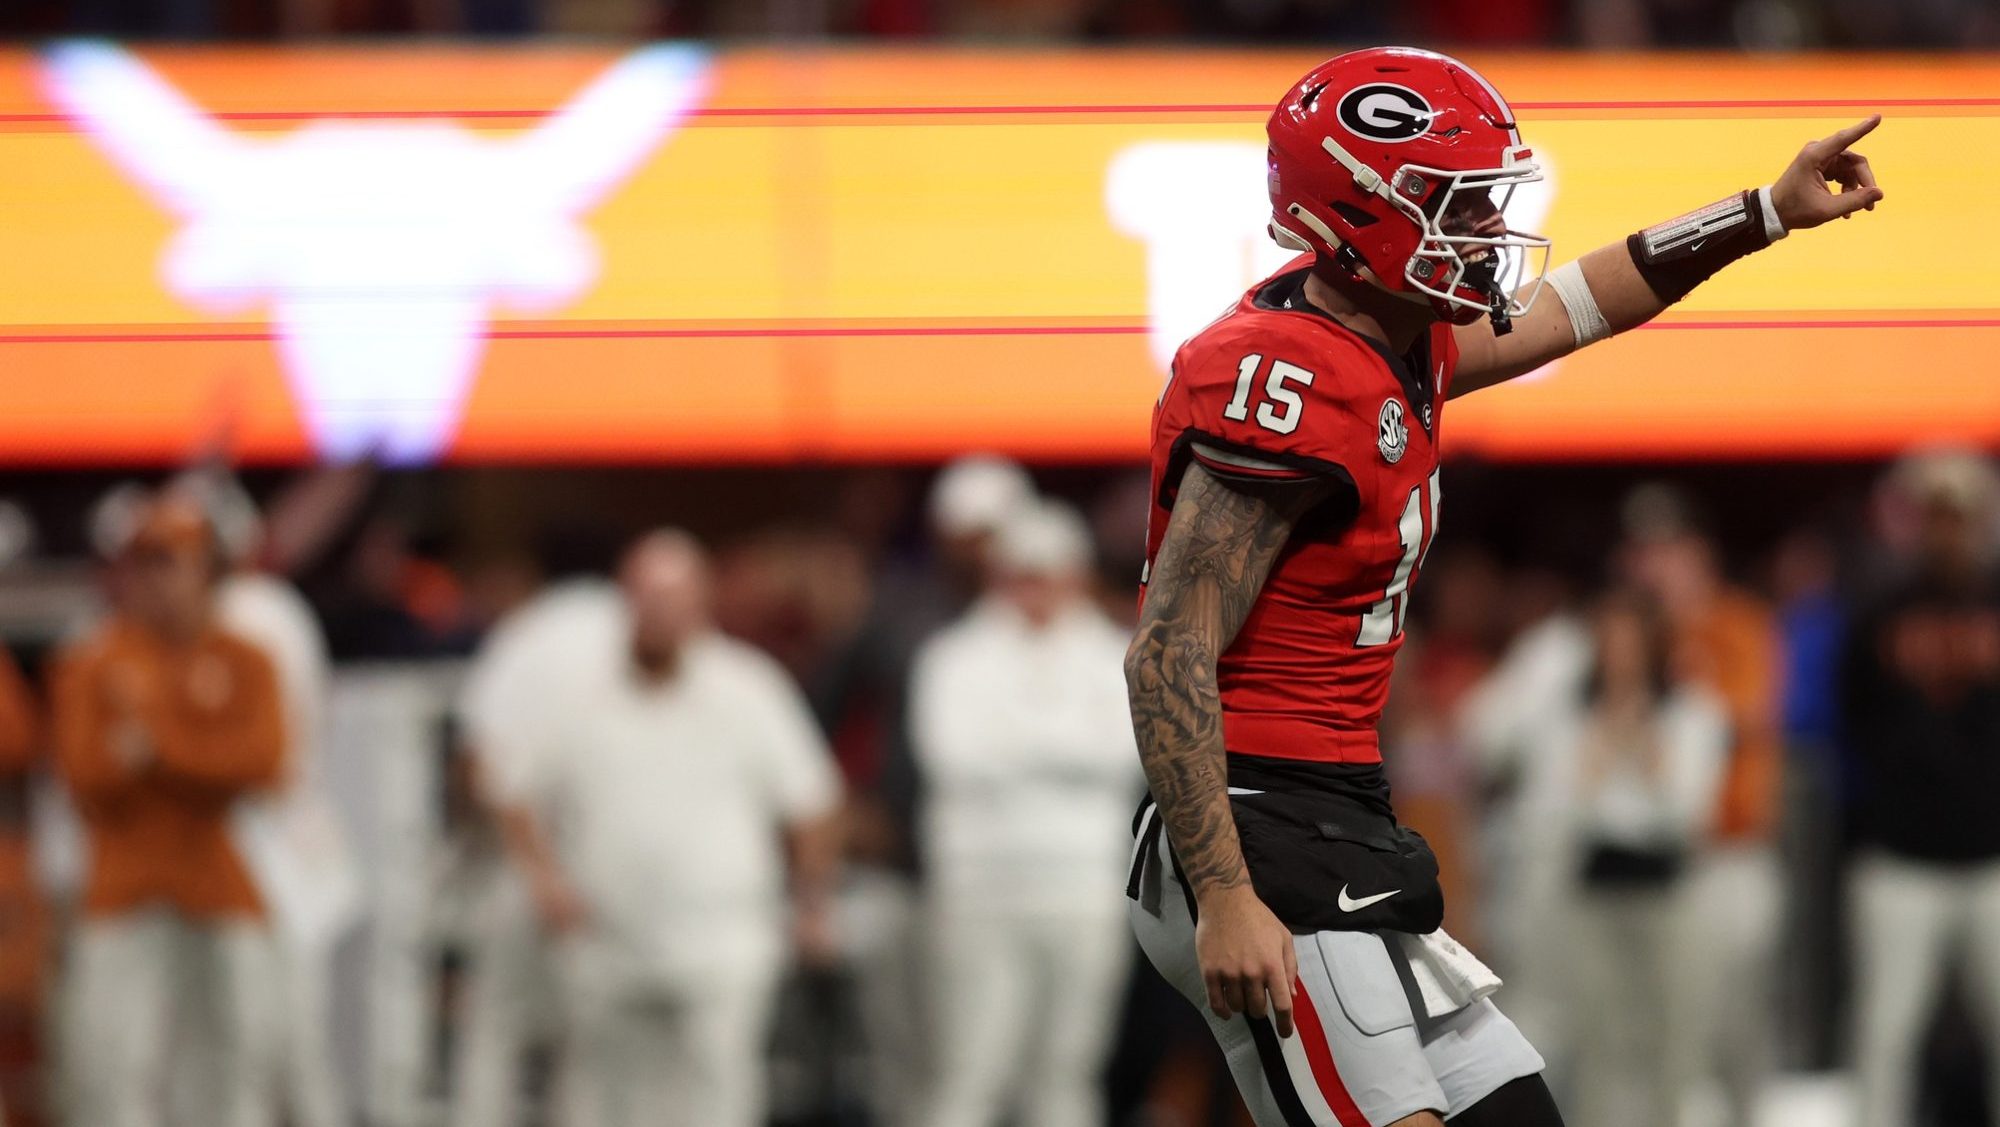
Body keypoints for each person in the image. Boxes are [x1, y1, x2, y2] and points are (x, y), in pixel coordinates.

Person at [1121, 44, 1882, 1127]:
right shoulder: (1284, 376)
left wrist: (1762, 209)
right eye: (1452, 205)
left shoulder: (1380, 332)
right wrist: (1226, 891)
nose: (1481, 233)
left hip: (1332, 817)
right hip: (1251, 825)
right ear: (1356, 213)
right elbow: (1167, 649)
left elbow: (1578, 301)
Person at [489, 530, 843, 1127]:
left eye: (672, 599)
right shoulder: (579, 693)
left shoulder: (747, 688)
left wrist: (811, 900)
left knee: (716, 1098)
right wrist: (544, 879)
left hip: (721, 940)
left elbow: (812, 800)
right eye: (645, 598)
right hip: (607, 941)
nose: (658, 614)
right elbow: (512, 787)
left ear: (700, 605)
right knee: (601, 1102)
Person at [51, 494, 287, 1127]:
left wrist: (157, 751)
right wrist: (193, 761)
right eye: (143, 564)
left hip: (220, 884)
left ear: (208, 572)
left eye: (170, 563)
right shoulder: (94, 660)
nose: (154, 581)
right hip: (124, 888)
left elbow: (263, 764)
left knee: (236, 1062)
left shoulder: (246, 659)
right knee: (114, 1068)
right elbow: (84, 778)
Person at [911, 499, 1142, 1127]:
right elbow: (953, 757)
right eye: (1023, 574)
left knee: (1067, 1074)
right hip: (979, 890)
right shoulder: (953, 657)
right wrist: (1069, 748)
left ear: (1074, 575)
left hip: (1083, 890)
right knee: (971, 1070)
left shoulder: (1112, 656)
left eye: (1048, 573)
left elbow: (1125, 756)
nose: (1035, 590)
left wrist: (1015, 743)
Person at [1843, 447, 2000, 1127]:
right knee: (1886, 1034)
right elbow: (1851, 725)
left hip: (1993, 856)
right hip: (1899, 858)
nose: (1947, 530)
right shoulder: (1878, 611)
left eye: (1958, 514)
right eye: (1934, 514)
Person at [1548, 591, 1728, 1127]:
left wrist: (1639, 752)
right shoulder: (1572, 712)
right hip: (1595, 891)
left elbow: (1687, 811)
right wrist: (1609, 750)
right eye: (1609, 642)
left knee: (1674, 1041)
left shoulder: (1690, 710)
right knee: (1597, 1040)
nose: (1619, 655)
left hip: (1666, 892)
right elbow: (1564, 808)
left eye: (1630, 642)